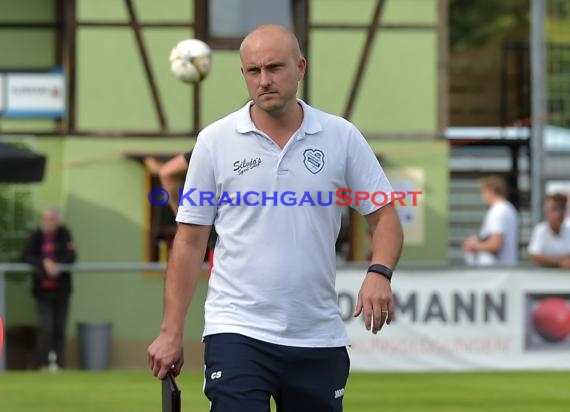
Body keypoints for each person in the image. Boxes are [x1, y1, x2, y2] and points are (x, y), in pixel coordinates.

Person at [147, 24, 403, 411]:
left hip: (317, 335)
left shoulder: (341, 136)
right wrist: (170, 331)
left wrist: (379, 271)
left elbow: (384, 217)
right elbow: (189, 241)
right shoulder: (215, 141)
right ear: (244, 75)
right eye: (254, 71)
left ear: (301, 68)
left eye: (275, 68)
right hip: (237, 330)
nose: (264, 80)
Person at [21, 207, 76, 370]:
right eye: (44, 218)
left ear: (58, 221)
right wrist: (44, 263)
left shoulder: (64, 234)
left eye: (50, 219)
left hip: (61, 291)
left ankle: (59, 364)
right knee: (46, 328)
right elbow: (26, 256)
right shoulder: (36, 235)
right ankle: (43, 364)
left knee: (60, 327)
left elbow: (71, 256)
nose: (46, 222)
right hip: (43, 291)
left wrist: (58, 265)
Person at [145, 152, 216, 272]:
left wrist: (184, 219)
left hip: (222, 252)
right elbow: (167, 172)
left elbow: (167, 172)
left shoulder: (213, 142)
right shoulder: (215, 143)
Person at [463, 175, 519, 266]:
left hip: (494, 270)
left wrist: (473, 245)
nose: (482, 197)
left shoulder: (497, 211)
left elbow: (495, 244)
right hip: (507, 268)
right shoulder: (509, 209)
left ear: (491, 191)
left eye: (483, 192)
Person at [528, 193, 570, 267]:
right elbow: (534, 256)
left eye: (560, 209)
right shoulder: (540, 230)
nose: (557, 214)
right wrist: (559, 263)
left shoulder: (568, 230)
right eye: (552, 209)